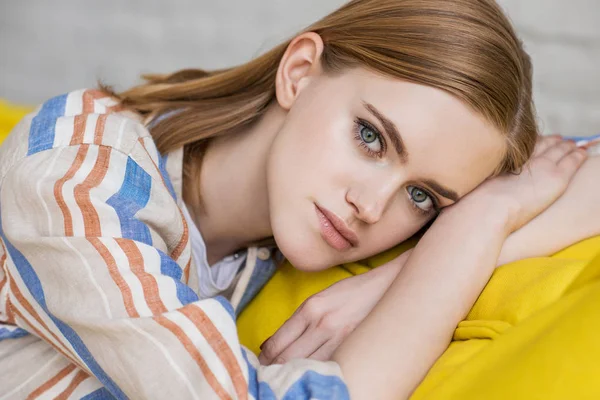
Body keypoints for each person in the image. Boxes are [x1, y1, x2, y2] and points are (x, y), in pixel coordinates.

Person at [0, 0, 598, 398]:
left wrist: (393, 275)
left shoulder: (276, 240)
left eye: (421, 197)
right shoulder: (77, 172)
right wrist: (473, 228)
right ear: (301, 71)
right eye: (371, 138)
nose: (371, 206)